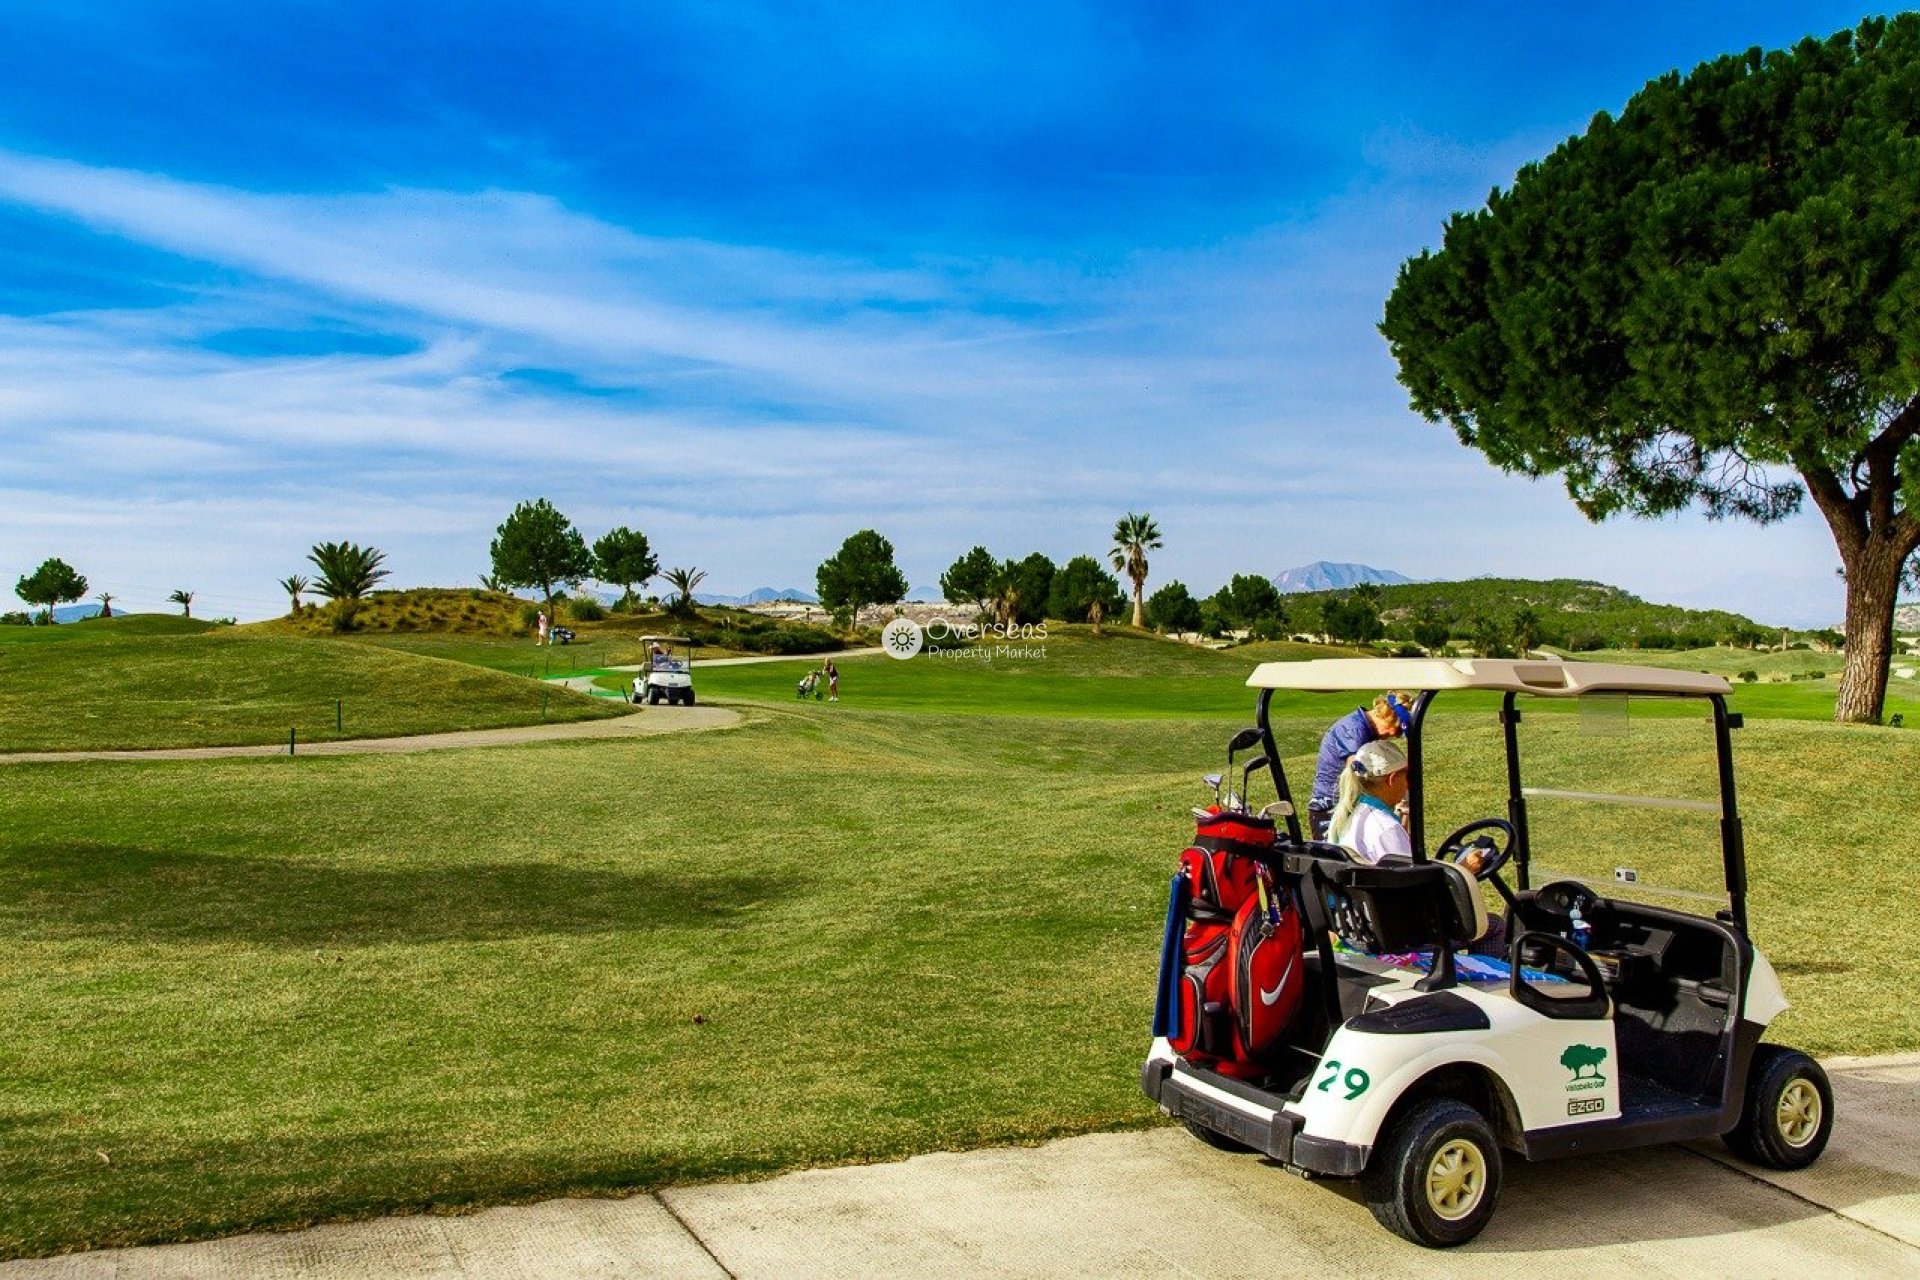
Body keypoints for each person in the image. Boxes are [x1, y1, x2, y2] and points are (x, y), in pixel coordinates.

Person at [1308, 691, 1413, 839]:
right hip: (1331, 808)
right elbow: (1356, 775)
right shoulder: (1354, 731)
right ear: (1387, 716)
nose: (1392, 735)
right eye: (1395, 730)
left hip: (1347, 806)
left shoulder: (1364, 728)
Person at [1325, 738, 1412, 864]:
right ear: (1392, 780)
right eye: (1406, 776)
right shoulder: (1387, 829)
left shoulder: (1344, 814)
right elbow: (1412, 877)